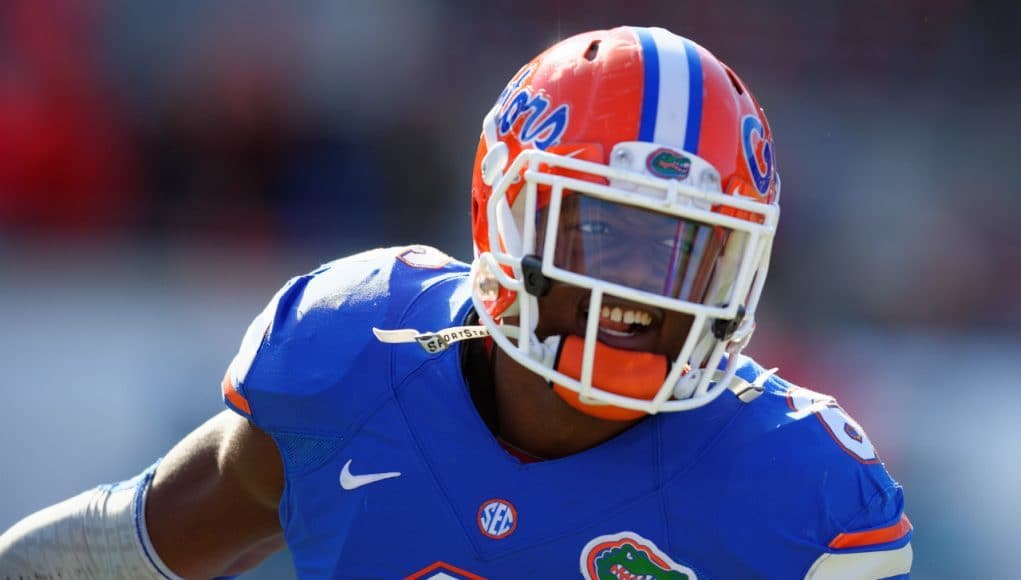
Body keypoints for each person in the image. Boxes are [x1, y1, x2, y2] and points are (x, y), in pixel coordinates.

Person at [0, 26, 912, 579]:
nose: (637, 288)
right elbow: (125, 549)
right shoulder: (353, 358)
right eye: (604, 230)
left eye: (680, 250)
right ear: (501, 212)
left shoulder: (805, 493)